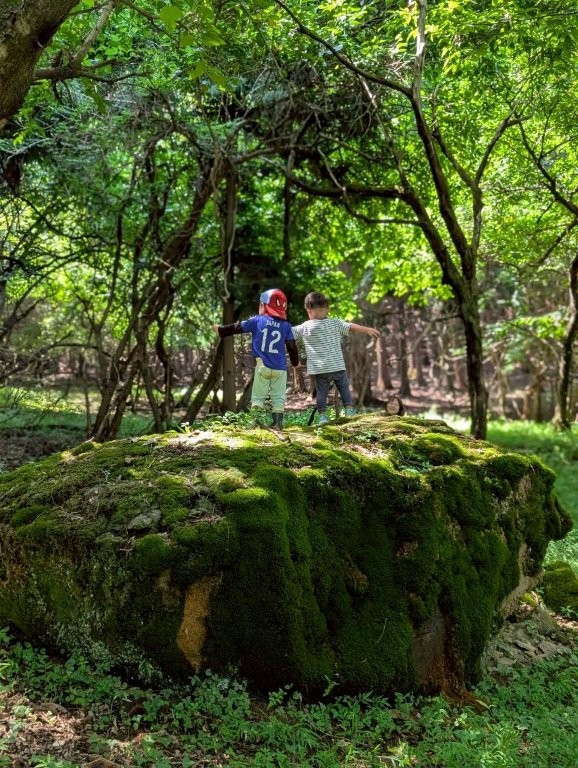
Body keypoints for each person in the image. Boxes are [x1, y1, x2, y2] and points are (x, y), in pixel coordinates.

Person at [212, 288, 299, 429]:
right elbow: (292, 346)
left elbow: (237, 327)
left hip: (262, 366)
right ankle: (278, 424)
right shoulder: (286, 326)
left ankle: (256, 423)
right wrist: (296, 363)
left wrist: (221, 330)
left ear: (264, 306)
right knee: (278, 397)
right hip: (280, 369)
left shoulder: (257, 321)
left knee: (258, 397)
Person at [292, 291, 380, 425]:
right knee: (344, 388)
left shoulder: (305, 326)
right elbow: (351, 326)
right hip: (337, 365)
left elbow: (289, 333)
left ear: (308, 310)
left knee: (322, 392)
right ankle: (349, 410)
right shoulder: (335, 323)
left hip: (320, 369)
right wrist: (367, 330)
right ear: (328, 309)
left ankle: (322, 416)